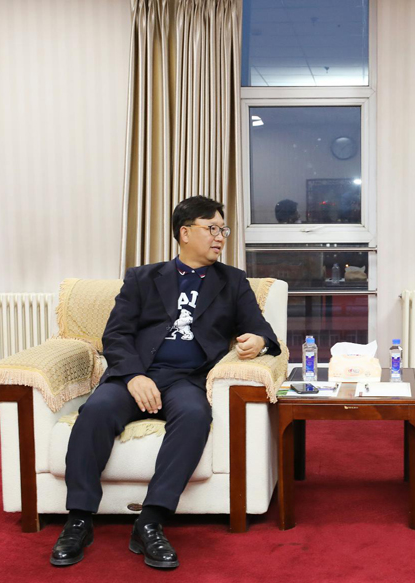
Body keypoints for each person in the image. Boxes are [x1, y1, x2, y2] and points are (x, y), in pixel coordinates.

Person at [50, 196, 281, 569]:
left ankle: (150, 521)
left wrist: (258, 340)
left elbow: (262, 330)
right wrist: (134, 375)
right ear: (185, 233)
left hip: (187, 380)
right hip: (135, 375)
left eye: (223, 229)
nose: (220, 237)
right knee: (95, 411)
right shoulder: (142, 278)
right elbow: (116, 335)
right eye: (212, 228)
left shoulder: (232, 281)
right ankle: (78, 519)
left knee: (194, 416)